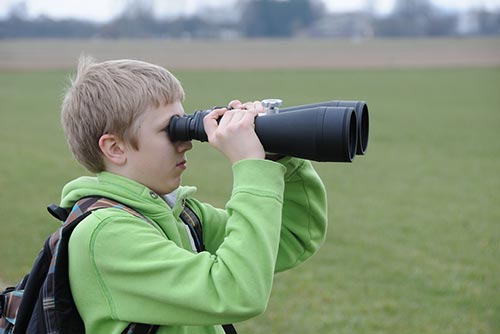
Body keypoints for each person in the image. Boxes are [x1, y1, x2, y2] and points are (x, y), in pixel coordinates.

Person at [60, 56, 328, 334]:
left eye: (185, 124)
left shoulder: (182, 215)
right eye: (170, 130)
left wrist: (278, 155)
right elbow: (235, 292)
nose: (186, 142)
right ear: (115, 148)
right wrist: (251, 167)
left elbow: (291, 237)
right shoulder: (105, 234)